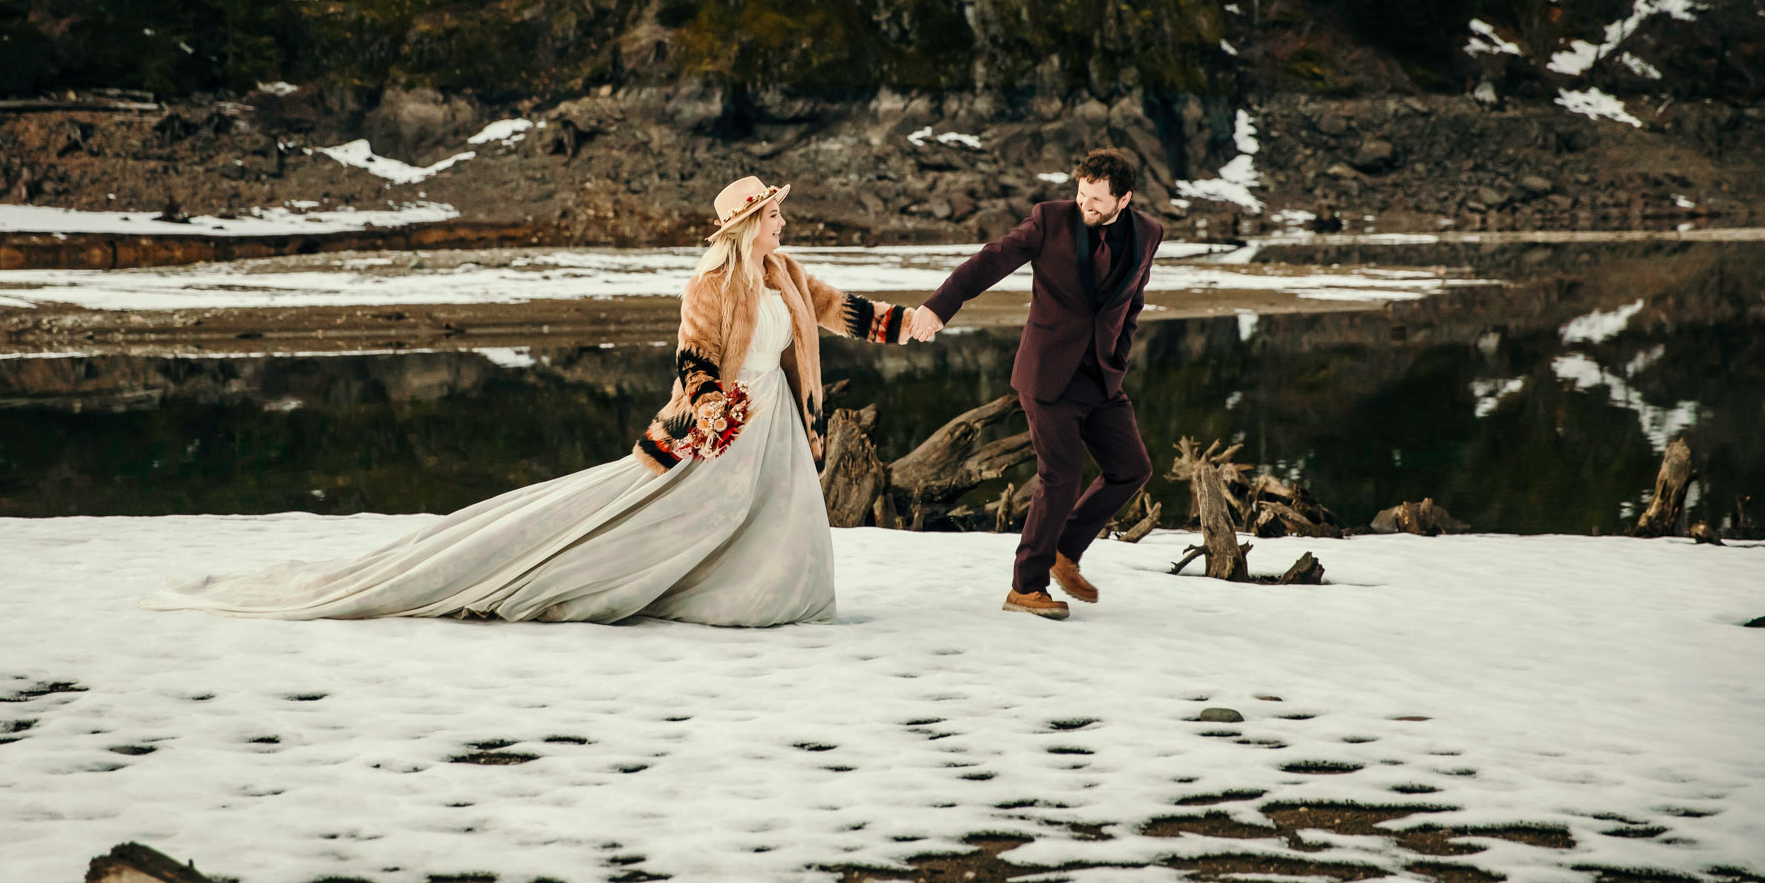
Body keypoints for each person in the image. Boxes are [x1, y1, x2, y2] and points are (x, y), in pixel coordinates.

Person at [143, 176, 914, 626]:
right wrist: (711, 407)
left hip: (778, 421)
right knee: (678, 517)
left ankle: (777, 601)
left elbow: (839, 309)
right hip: (718, 428)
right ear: (748, 225)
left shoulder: (785, 274)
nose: (785, 221)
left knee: (788, 524)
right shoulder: (709, 286)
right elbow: (692, 358)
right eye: (774, 214)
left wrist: (907, 323)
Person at [908, 148, 1160, 620]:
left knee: (1131, 467)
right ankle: (1026, 587)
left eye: (1097, 200)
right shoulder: (1049, 221)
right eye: (1082, 194)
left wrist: (1118, 356)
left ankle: (1065, 550)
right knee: (1060, 477)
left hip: (1101, 375)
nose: (1086, 205)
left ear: (1123, 199)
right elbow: (988, 263)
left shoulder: (1148, 233)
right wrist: (937, 308)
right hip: (1047, 373)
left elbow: (1135, 300)